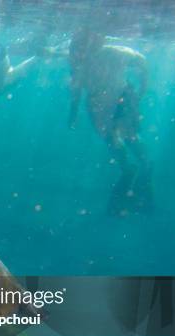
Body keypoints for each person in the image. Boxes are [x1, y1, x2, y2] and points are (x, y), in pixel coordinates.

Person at [68, 28, 151, 215]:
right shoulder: (84, 59)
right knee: (120, 138)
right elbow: (76, 88)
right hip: (108, 101)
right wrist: (142, 89)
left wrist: (142, 90)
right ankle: (133, 170)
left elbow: (141, 61)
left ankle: (137, 169)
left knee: (124, 137)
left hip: (116, 100)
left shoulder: (113, 53)